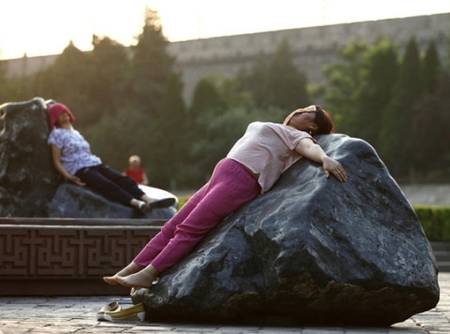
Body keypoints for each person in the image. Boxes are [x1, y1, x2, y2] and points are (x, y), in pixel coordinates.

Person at [103, 104, 348, 288]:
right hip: (221, 174)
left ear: (312, 126)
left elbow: (310, 148)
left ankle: (149, 274)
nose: (299, 110)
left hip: (241, 180)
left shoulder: (296, 136)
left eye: (308, 111)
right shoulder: (278, 128)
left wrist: (325, 158)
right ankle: (132, 267)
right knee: (172, 225)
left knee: (189, 228)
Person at [46, 103, 175, 213]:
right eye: (59, 113)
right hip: (78, 168)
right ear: (55, 118)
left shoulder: (76, 133)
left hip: (93, 162)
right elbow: (56, 161)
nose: (63, 113)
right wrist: (68, 177)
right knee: (106, 184)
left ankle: (147, 199)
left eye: (64, 111)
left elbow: (87, 152)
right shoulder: (57, 134)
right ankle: (136, 203)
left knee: (123, 179)